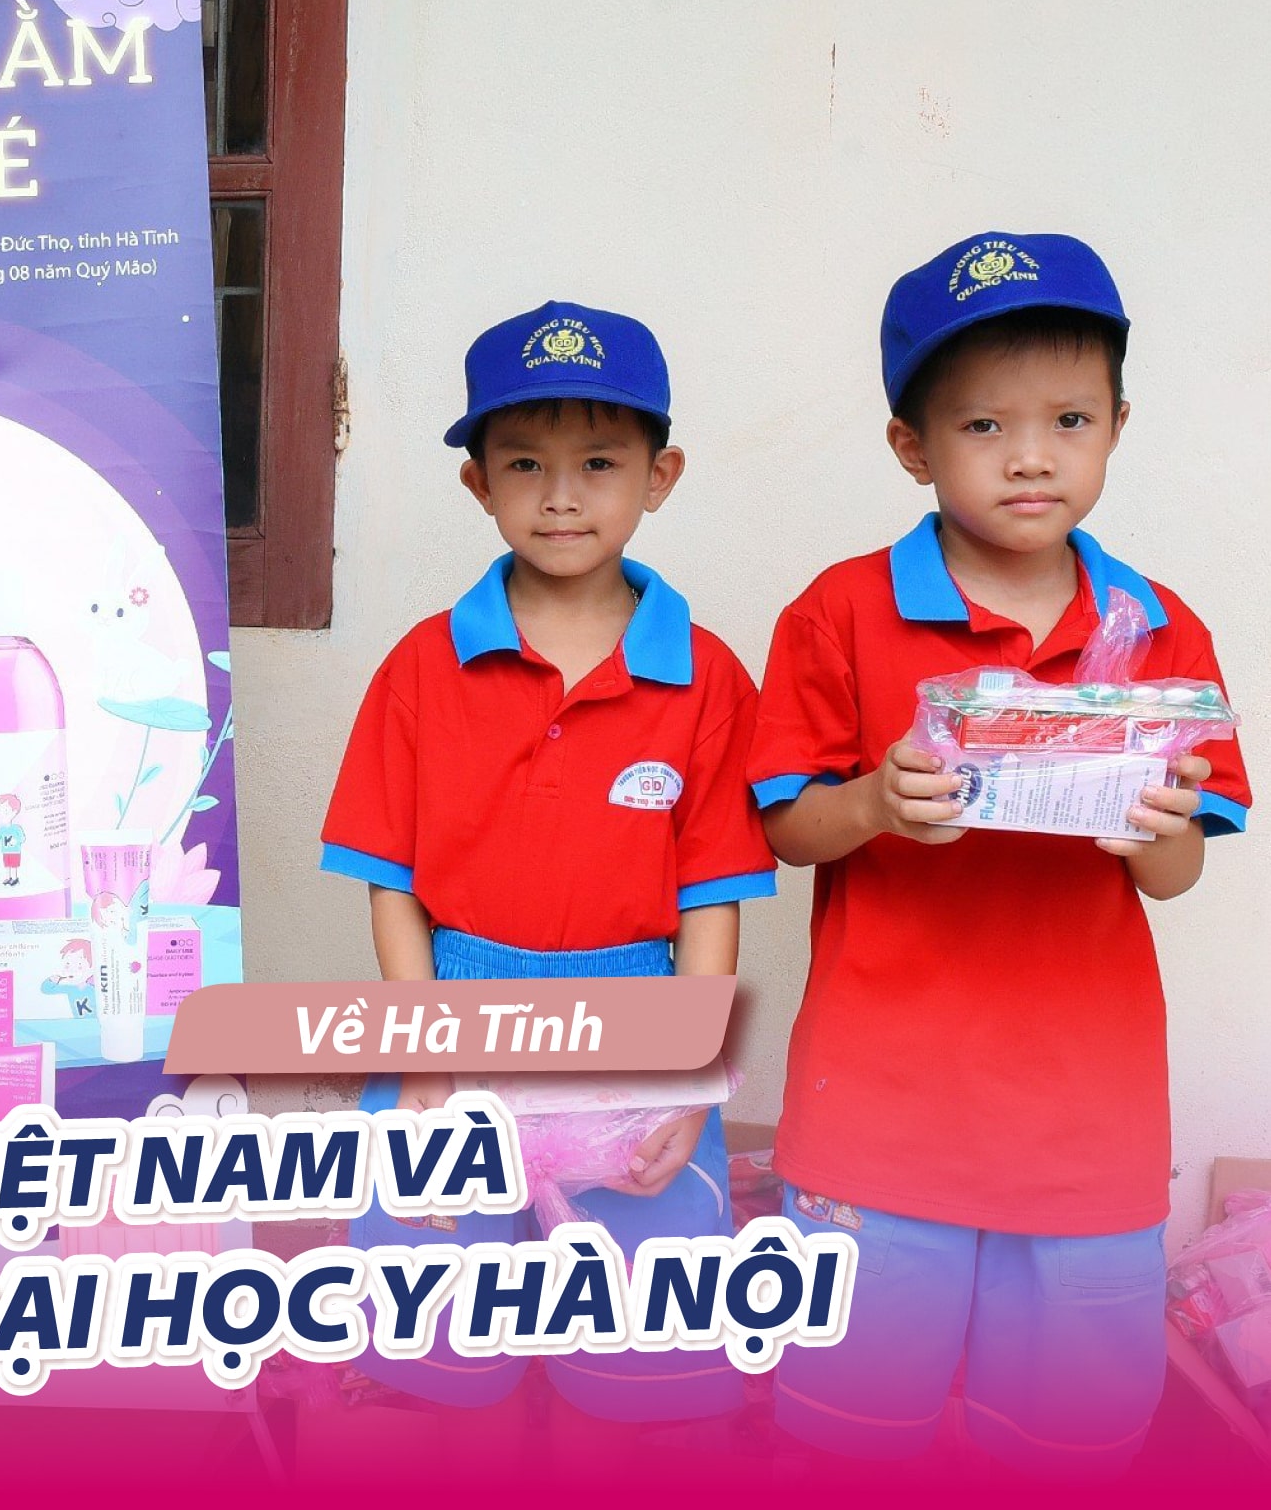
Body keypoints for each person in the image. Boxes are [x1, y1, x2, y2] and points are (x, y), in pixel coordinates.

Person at [751, 233, 1247, 1475]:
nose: (1032, 455)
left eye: (1069, 419)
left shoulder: (1158, 627)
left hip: (1087, 1130)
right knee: (850, 1445)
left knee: (1062, 1450)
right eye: (983, 425)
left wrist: (1157, 827)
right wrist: (875, 802)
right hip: (877, 1116)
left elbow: (1177, 873)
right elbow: (784, 825)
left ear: (1118, 425)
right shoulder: (840, 610)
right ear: (911, 445)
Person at [319, 300, 773, 1453]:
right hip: (453, 1017)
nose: (561, 495)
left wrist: (686, 1081)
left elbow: (711, 897)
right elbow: (391, 879)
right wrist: (424, 1051)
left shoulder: (707, 677)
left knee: (640, 1334)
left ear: (660, 475)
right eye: (525, 462)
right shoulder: (423, 667)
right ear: (479, 483)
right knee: (436, 1328)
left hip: (638, 1029)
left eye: (599, 462)